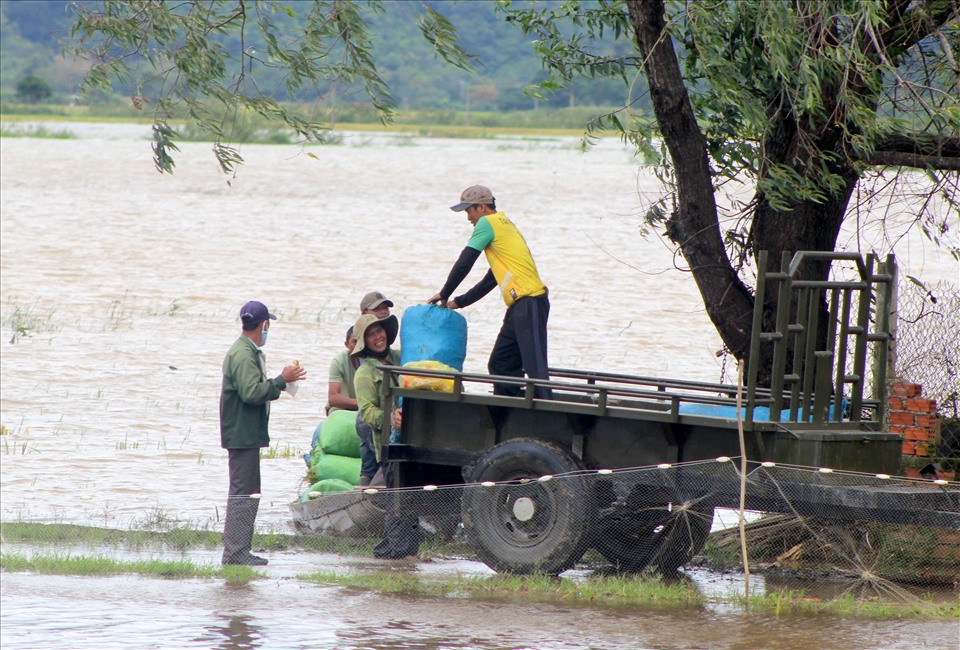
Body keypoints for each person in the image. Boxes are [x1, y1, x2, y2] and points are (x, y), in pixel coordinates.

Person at [428, 184, 552, 399]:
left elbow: (465, 261)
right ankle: (509, 417)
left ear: (482, 207)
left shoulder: (487, 223)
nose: (468, 218)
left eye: (469, 211)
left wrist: (444, 292)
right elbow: (491, 279)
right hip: (519, 307)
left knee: (536, 370)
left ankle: (550, 417)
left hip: (530, 302)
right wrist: (458, 302)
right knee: (500, 364)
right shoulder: (504, 225)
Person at [219, 300, 306, 565]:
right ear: (264, 324)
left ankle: (238, 551)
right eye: (269, 325)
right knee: (244, 494)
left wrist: (280, 382)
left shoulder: (246, 350)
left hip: (245, 433)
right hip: (242, 434)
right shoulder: (244, 353)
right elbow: (251, 393)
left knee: (247, 491)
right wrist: (280, 380)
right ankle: (235, 554)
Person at [352, 313, 421, 559]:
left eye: (379, 331)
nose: (377, 337)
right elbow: (368, 413)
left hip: (413, 439)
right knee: (398, 500)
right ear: (364, 342)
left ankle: (397, 550)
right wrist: (391, 418)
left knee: (411, 496)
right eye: (371, 335)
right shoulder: (364, 374)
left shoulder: (402, 358)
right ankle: (399, 554)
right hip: (388, 446)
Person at [324, 291, 394, 415]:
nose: (383, 312)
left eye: (385, 308)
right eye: (377, 309)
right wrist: (365, 403)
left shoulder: (394, 356)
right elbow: (333, 397)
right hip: (357, 410)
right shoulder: (348, 362)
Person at [324, 326, 359, 415]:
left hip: (369, 409)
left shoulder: (376, 360)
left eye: (362, 341)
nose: (359, 346)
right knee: (334, 412)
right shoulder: (339, 361)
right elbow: (333, 398)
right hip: (346, 407)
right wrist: (364, 404)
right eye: (355, 342)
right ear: (346, 344)